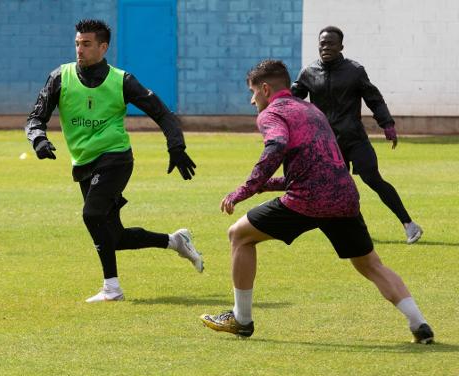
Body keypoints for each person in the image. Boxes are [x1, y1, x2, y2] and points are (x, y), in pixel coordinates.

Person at [200, 59, 434, 344]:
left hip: (307, 200)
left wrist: (246, 189)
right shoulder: (311, 110)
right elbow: (319, 165)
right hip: (344, 196)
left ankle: (242, 319)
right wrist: (266, 186)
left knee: (239, 235)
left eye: (252, 92)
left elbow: (276, 146)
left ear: (265, 88)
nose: (252, 100)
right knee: (371, 265)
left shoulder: (271, 113)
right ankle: (418, 322)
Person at [25, 19, 203, 303]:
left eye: (86, 44)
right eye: (77, 43)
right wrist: (38, 139)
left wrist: (176, 146)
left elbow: (162, 113)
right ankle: (174, 241)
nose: (79, 50)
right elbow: (35, 117)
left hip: (116, 158)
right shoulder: (60, 77)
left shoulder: (122, 81)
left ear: (103, 47)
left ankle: (112, 288)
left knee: (92, 214)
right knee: (115, 237)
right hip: (83, 163)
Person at [291, 26, 423, 244]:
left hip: (355, 139)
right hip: (328, 144)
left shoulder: (354, 70)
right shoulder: (308, 72)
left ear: (341, 46)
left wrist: (387, 124)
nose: (326, 47)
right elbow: (294, 99)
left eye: (331, 43)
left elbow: (374, 99)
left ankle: (410, 225)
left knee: (372, 178)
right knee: (335, 188)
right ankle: (351, 231)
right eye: (322, 43)